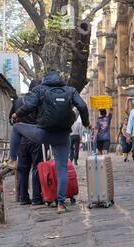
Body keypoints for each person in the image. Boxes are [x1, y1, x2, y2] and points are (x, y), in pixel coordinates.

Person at [7, 70, 90, 214]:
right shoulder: (70, 90)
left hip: (43, 134)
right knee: (62, 169)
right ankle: (61, 204)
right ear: (60, 79)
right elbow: (82, 106)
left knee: (16, 128)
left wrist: (17, 114)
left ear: (45, 79)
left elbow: (30, 106)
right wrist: (86, 122)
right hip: (63, 136)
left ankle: (13, 159)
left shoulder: (40, 89)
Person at [8, 79, 44, 206]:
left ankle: (23, 197)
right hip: (36, 138)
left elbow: (10, 119)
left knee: (23, 169)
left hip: (21, 139)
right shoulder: (39, 101)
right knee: (37, 167)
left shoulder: (18, 101)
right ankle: (36, 198)